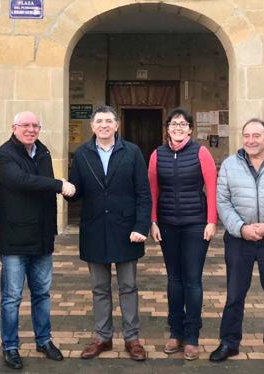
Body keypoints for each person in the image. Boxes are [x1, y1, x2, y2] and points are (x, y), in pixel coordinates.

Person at [210, 118, 264, 368]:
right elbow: (222, 201)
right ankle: (229, 342)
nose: (251, 140)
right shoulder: (230, 164)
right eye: (246, 135)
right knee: (235, 293)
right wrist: (241, 228)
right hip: (239, 240)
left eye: (256, 135)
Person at [67, 105, 152, 361]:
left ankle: (131, 338)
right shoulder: (82, 154)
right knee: (99, 288)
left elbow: (143, 194)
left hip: (127, 230)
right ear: (92, 127)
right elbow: (78, 191)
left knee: (128, 286)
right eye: (99, 121)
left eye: (108, 121)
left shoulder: (132, 152)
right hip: (94, 229)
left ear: (117, 125)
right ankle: (102, 337)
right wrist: (69, 191)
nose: (103, 125)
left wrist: (141, 226)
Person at [0, 111, 74, 369]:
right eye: (25, 125)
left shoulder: (43, 151)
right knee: (12, 297)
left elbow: (43, 190)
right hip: (14, 238)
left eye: (35, 125)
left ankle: (44, 340)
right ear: (13, 127)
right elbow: (21, 182)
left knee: (42, 294)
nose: (31, 130)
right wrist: (59, 184)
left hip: (41, 237)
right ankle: (11, 346)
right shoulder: (4, 154)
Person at [147, 108, 217, 360]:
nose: (177, 127)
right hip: (167, 225)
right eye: (173, 123)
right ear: (167, 128)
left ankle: (192, 337)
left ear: (190, 129)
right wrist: (153, 221)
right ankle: (175, 332)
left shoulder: (201, 153)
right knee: (174, 280)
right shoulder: (157, 155)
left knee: (192, 280)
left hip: (195, 224)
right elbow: (152, 190)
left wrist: (211, 221)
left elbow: (212, 187)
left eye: (183, 124)